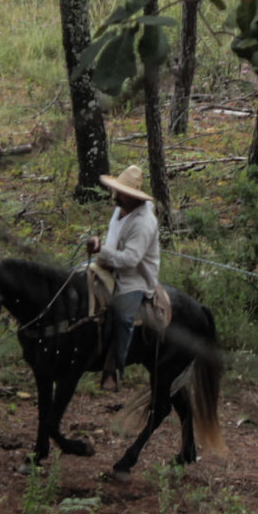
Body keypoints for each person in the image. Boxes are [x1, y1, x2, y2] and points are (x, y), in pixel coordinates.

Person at [86, 165, 161, 391]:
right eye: (116, 191)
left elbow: (131, 260)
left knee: (123, 318)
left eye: (121, 192)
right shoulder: (121, 209)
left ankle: (114, 370)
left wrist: (102, 251)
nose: (116, 195)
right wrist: (101, 249)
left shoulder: (144, 223)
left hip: (134, 278)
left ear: (133, 196)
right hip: (109, 266)